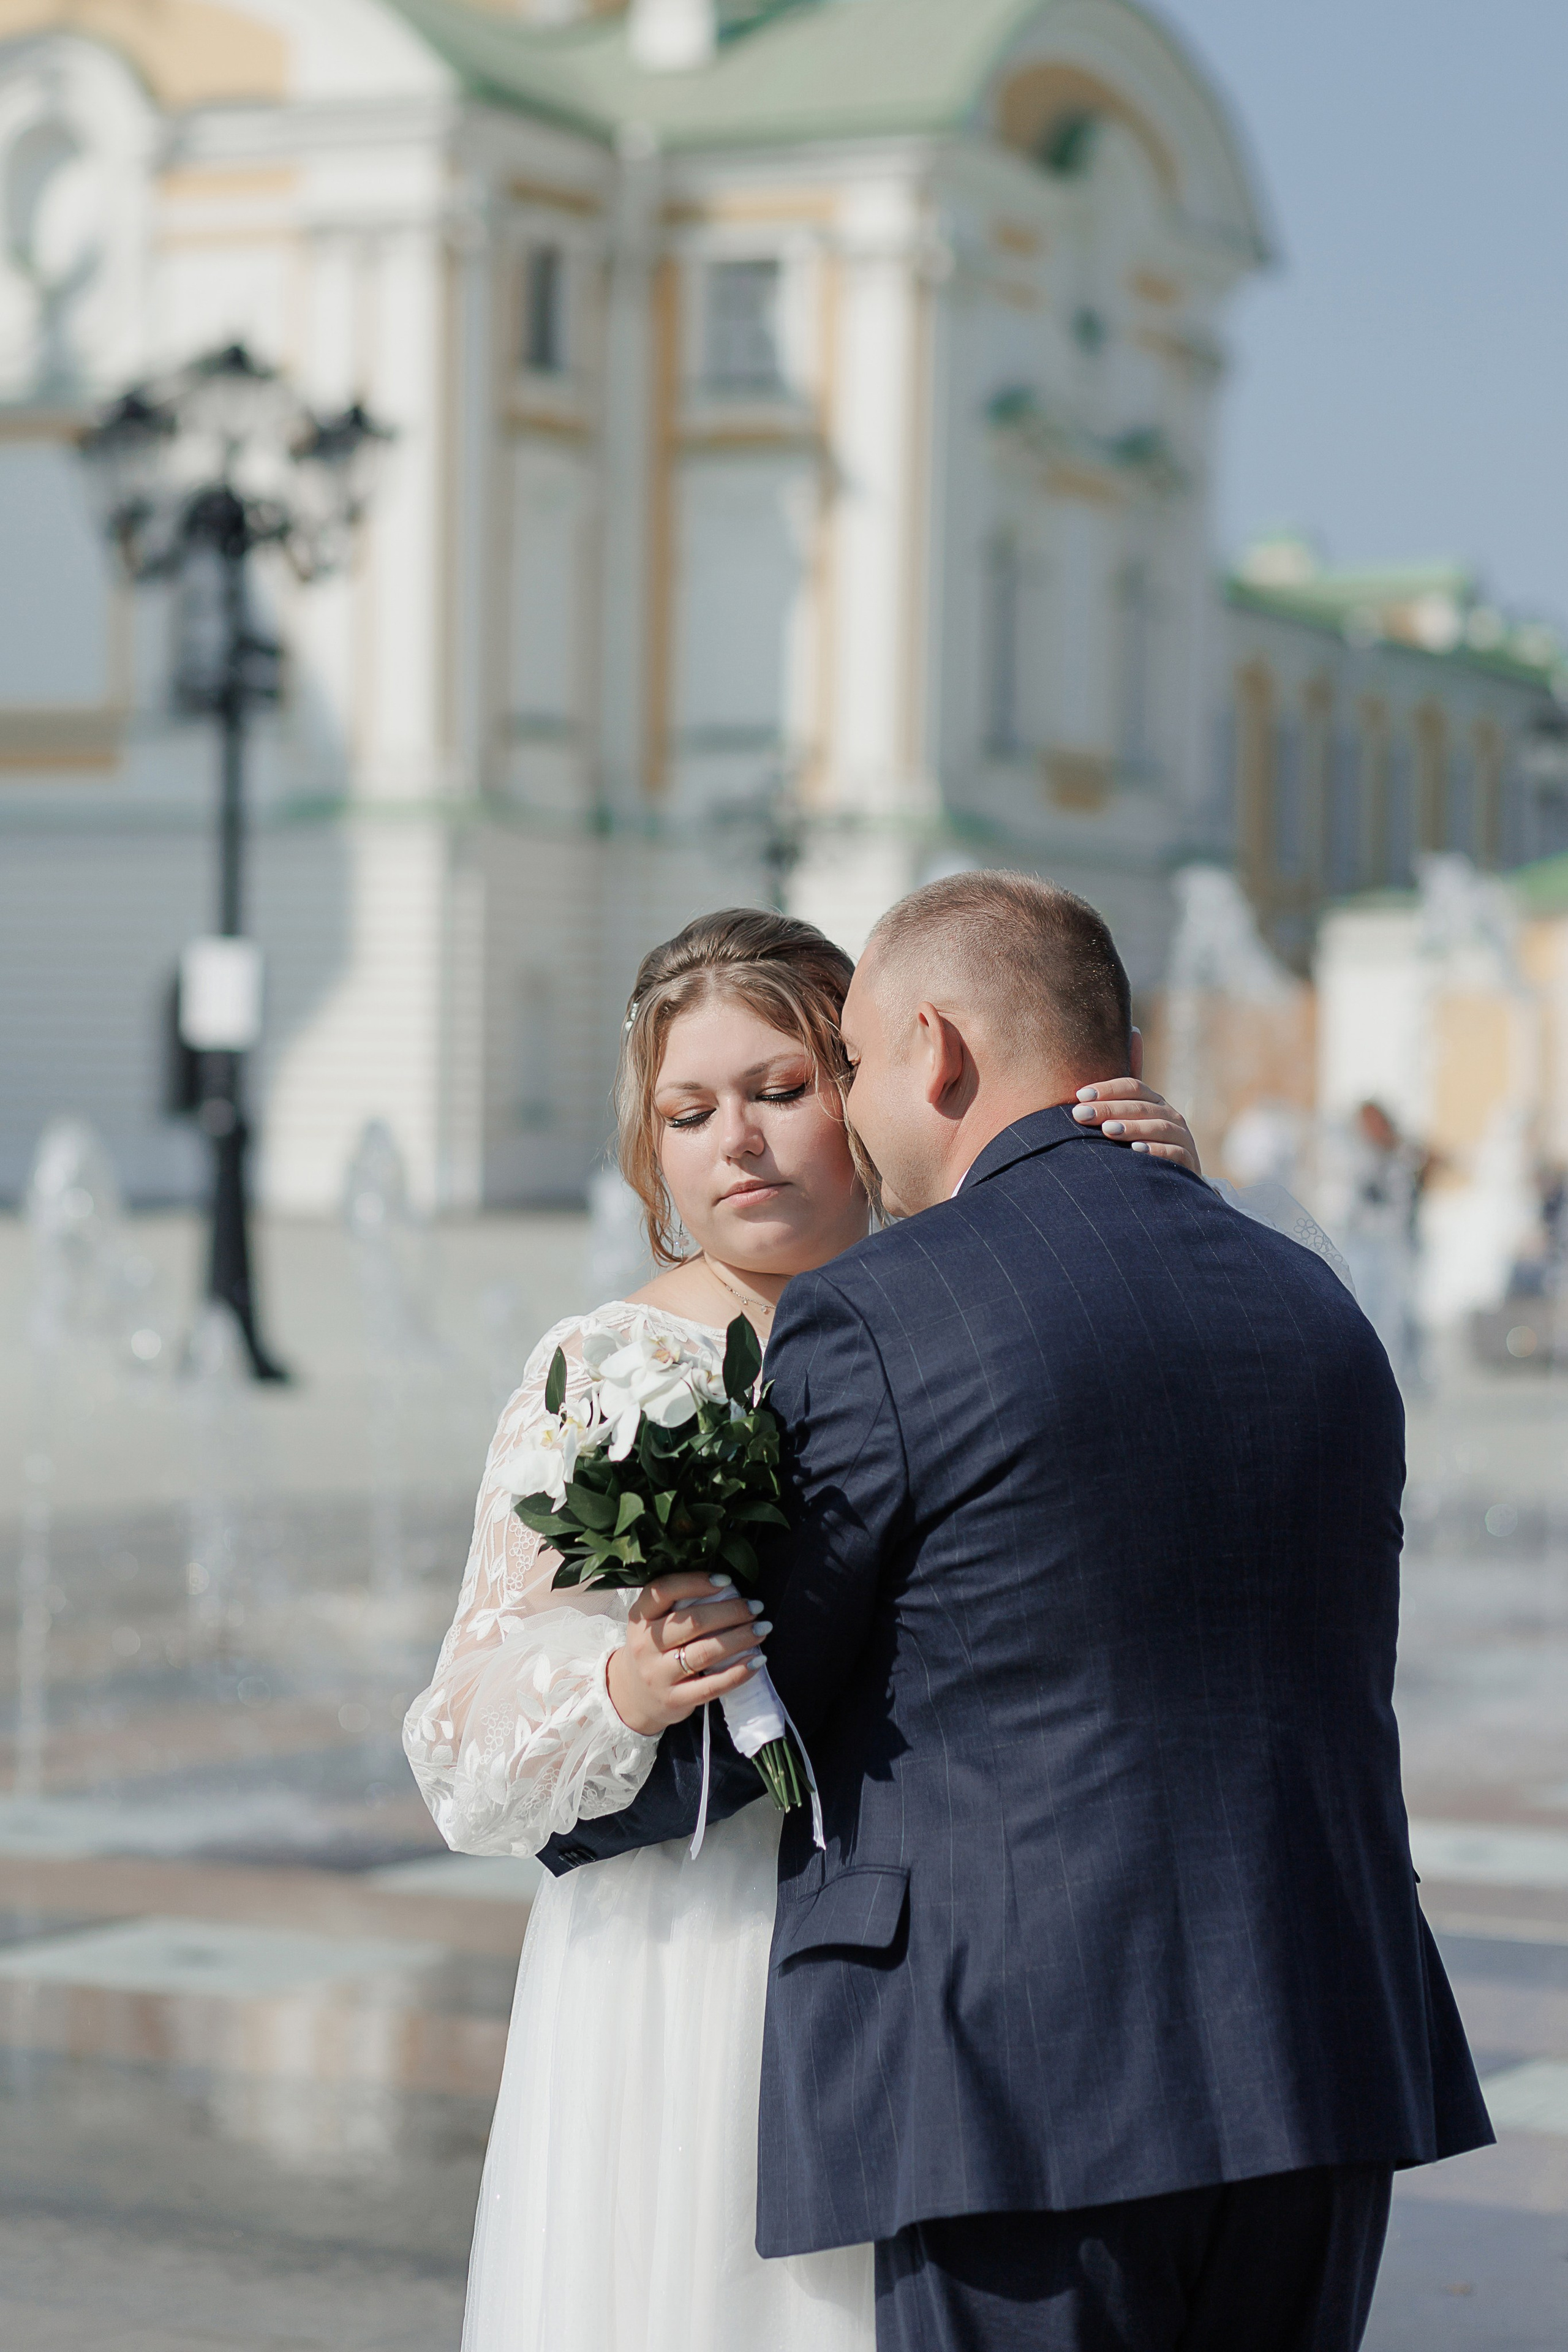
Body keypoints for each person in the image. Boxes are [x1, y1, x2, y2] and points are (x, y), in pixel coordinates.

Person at [543, 875, 1492, 2352]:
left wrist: (578, 1793)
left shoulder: (886, 1309)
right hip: (1322, 2043)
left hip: (1030, 2079)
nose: (842, 1114)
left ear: (932, 1049)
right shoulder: (1308, 1295)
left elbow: (778, 1683)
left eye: (839, 1068)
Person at [403, 905, 1203, 2352]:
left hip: (943, 1953)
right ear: (651, 1151)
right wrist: (621, 1682)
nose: (739, 1142)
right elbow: (459, 1741)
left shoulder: (988, 1309)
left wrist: (1151, 1202)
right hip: (681, 1947)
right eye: (689, 1111)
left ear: (872, 1086)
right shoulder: (605, 1368)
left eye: (779, 1090)